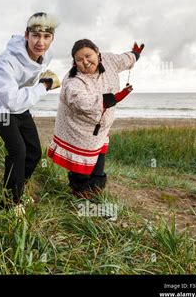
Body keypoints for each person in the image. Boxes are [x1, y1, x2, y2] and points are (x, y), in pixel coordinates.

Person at [48, 39, 144, 199]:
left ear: (97, 53)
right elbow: (80, 102)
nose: (85, 62)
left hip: (99, 129)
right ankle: (79, 195)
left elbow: (125, 59)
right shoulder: (72, 80)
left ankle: (96, 194)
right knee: (81, 170)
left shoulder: (109, 60)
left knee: (98, 166)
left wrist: (135, 54)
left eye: (88, 56)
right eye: (79, 59)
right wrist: (113, 98)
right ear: (74, 62)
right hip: (76, 129)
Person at [0, 12, 61, 214]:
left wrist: (40, 81)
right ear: (26, 35)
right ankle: (10, 203)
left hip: (21, 108)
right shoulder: (6, 63)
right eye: (36, 35)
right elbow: (11, 100)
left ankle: (16, 188)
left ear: (52, 38)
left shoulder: (47, 54)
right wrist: (44, 86)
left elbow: (24, 93)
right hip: (0, 109)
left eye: (46, 37)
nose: (41, 42)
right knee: (18, 151)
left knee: (34, 153)